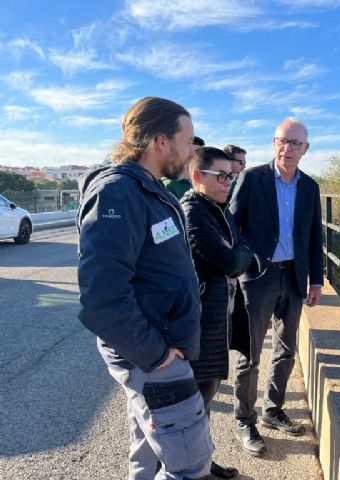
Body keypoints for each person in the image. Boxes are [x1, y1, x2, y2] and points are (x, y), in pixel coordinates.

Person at [76, 97, 217, 480]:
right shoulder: (118, 193)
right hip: (153, 356)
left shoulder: (151, 189)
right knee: (190, 465)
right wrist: (158, 356)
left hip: (159, 350)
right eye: (187, 141)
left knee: (148, 451)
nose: (192, 152)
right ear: (160, 141)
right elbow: (102, 299)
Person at [229, 117, 323, 457]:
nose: (288, 148)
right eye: (283, 141)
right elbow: (232, 225)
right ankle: (245, 419)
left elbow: (314, 236)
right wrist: (240, 265)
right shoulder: (251, 178)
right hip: (258, 279)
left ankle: (273, 409)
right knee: (249, 353)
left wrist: (316, 279)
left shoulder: (310, 187)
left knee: (286, 348)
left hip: (294, 278)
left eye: (295, 143)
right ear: (274, 143)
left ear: (305, 149)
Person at [180, 147, 255, 479]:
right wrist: (239, 253)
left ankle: (202, 464)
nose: (228, 181)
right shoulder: (192, 211)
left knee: (206, 399)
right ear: (198, 177)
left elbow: (242, 250)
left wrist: (240, 252)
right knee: (195, 402)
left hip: (218, 317)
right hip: (200, 322)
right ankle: (192, 468)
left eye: (231, 175)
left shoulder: (219, 211)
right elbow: (231, 261)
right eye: (221, 176)